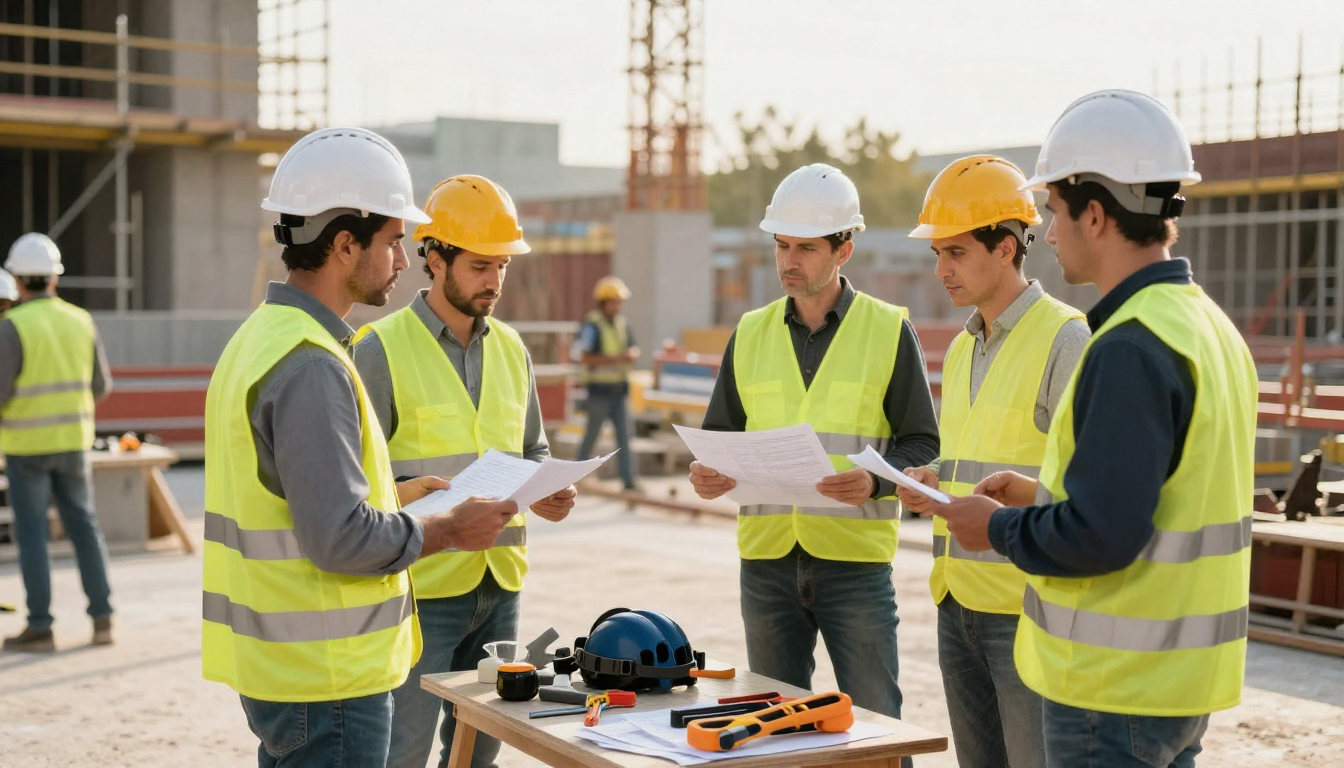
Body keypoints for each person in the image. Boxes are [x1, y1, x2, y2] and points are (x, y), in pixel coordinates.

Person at [927, 91, 1258, 768]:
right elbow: (1155, 503)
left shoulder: (1128, 345)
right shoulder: (1208, 329)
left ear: (1096, 214)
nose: (1047, 232)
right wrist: (1043, 495)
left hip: (1114, 688)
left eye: (1053, 211)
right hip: (1181, 685)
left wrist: (992, 528)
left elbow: (1103, 535)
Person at [202, 127, 519, 768]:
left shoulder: (261, 339)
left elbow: (299, 506)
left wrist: (399, 501)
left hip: (289, 671)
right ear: (346, 245)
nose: (404, 261)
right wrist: (448, 530)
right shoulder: (311, 363)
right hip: (329, 680)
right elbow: (341, 539)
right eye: (394, 241)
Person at [689, 163, 939, 766]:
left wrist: (876, 479)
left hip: (853, 565)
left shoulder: (888, 329)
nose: (788, 261)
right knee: (768, 732)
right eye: (781, 245)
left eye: (805, 247)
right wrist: (707, 473)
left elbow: (922, 443)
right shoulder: (748, 333)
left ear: (843, 249)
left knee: (877, 730)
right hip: (768, 563)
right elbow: (719, 436)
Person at [353, 174, 576, 768]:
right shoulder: (378, 349)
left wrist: (550, 488)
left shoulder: (512, 348)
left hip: (500, 584)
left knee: (481, 752)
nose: (494, 281)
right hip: (422, 586)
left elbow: (534, 450)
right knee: (403, 749)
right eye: (480, 265)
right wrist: (406, 495)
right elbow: (353, 481)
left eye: (502, 265)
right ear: (433, 256)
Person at [901, 155, 1089, 767]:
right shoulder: (960, 349)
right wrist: (931, 481)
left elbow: (1087, 486)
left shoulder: (1067, 338)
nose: (941, 269)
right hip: (957, 604)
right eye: (937, 254)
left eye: (955, 252)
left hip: (1025, 610)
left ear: (1006, 247)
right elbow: (966, 459)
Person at [0, 233, 114, 652]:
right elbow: (101, 386)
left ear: (16, 279)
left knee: (32, 536)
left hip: (26, 449)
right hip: (73, 443)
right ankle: (103, 620)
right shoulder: (81, 320)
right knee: (85, 529)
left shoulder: (12, 326)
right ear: (54, 278)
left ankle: (40, 626)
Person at [575, 276, 640, 491]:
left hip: (619, 390)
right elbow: (584, 357)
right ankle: (574, 476)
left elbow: (632, 347)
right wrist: (617, 359)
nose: (618, 306)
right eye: (615, 301)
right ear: (604, 302)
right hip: (599, 391)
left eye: (620, 302)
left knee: (624, 437)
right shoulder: (592, 325)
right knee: (592, 435)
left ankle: (629, 482)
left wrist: (631, 354)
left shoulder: (622, 324)